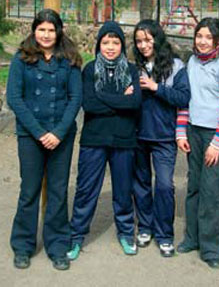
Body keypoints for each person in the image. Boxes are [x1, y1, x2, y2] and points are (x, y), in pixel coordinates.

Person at [7, 8, 83, 271]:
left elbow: (75, 98)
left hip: (61, 135)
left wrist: (58, 133)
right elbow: (15, 98)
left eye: (51, 29)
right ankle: (22, 246)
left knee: (58, 192)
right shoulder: (21, 59)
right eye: (42, 29)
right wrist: (39, 133)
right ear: (34, 30)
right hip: (31, 135)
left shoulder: (70, 59)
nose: (47, 34)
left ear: (58, 30)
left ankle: (58, 246)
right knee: (29, 190)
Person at [67, 21, 141, 260]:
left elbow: (135, 103)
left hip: (124, 140)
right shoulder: (89, 70)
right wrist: (121, 98)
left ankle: (126, 232)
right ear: (99, 44)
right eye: (106, 42)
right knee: (86, 190)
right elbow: (88, 104)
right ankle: (76, 236)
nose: (110, 47)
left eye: (115, 42)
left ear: (122, 45)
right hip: (94, 139)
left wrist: (104, 98)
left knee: (123, 190)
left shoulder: (132, 71)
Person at [176, 17, 219, 269]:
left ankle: (211, 247)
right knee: (193, 186)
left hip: (214, 135)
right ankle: (192, 238)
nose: (202, 41)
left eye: (207, 37)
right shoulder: (192, 61)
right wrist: (181, 131)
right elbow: (185, 98)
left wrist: (217, 143)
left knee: (210, 191)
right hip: (192, 130)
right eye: (198, 36)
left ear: (218, 41)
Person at [132, 19, 190, 257]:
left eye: (148, 39)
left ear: (157, 38)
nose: (143, 45)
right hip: (137, 135)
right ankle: (145, 227)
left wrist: (156, 87)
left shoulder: (176, 66)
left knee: (165, 185)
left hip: (164, 137)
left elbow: (183, 98)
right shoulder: (133, 65)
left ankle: (165, 234)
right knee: (142, 185)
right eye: (139, 41)